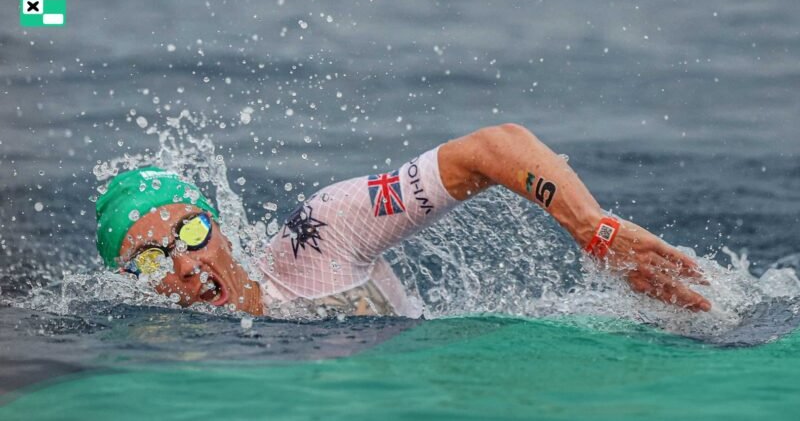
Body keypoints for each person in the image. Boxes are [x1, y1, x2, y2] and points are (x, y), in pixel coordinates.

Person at [95, 123, 711, 317]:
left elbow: (491, 149)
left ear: (220, 226)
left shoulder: (320, 235)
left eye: (192, 233)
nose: (186, 265)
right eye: (149, 260)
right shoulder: (156, 358)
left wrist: (594, 230)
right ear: (131, 286)